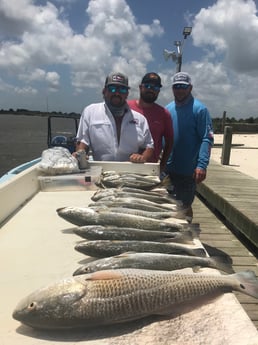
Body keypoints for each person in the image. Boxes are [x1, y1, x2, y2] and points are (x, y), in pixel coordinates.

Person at [165, 72, 214, 222]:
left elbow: (207, 138)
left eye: (183, 87)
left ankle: (188, 233)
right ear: (172, 88)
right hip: (167, 169)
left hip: (188, 172)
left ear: (190, 88)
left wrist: (202, 165)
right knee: (166, 207)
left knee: (184, 207)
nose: (180, 90)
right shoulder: (167, 109)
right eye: (176, 86)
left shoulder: (200, 110)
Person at [75, 72, 154, 163]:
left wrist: (142, 157)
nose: (117, 93)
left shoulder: (141, 119)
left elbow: (149, 145)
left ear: (127, 94)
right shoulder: (90, 112)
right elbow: (82, 141)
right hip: (100, 170)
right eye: (112, 89)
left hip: (131, 172)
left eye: (122, 90)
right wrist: (80, 155)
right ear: (104, 91)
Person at [128, 72, 173, 175]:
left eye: (156, 88)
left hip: (150, 169)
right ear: (140, 87)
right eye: (148, 86)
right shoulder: (126, 107)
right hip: (125, 166)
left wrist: (162, 166)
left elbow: (169, 142)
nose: (151, 90)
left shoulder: (164, 114)